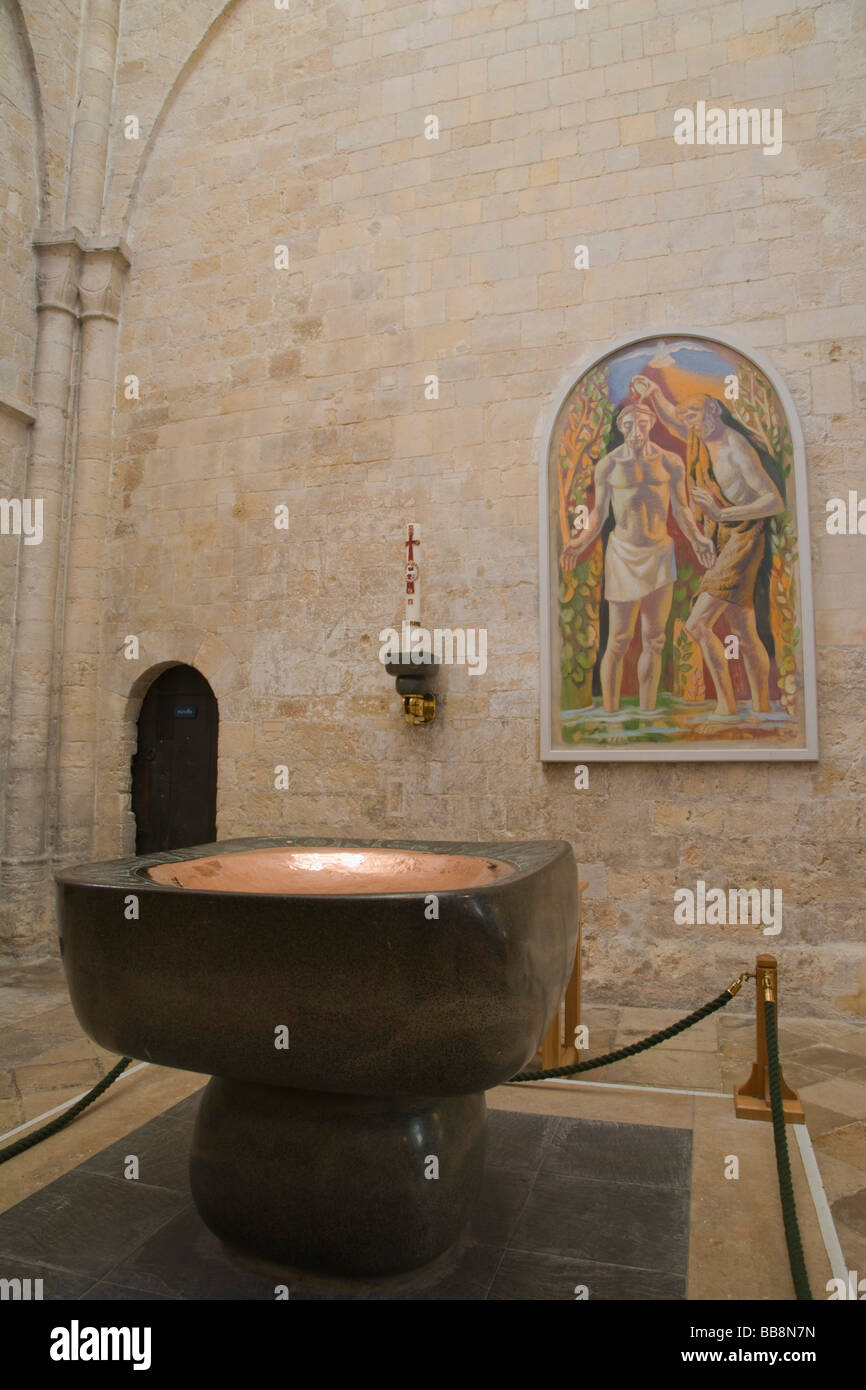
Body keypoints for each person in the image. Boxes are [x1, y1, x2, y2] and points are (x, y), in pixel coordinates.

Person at [630, 379, 784, 716]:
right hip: (722, 536)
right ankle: (760, 707)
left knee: (697, 624)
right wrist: (655, 393)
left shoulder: (735, 447)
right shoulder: (700, 437)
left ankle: (726, 707)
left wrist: (720, 513)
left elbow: (773, 500)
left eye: (695, 414)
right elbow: (672, 417)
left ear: (713, 411)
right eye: (686, 417)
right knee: (742, 627)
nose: (689, 422)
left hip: (744, 536)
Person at [561, 402, 715, 714]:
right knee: (618, 640)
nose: (635, 432)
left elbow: (681, 508)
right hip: (623, 555)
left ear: (651, 424)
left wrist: (697, 536)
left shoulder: (670, 462)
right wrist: (579, 542)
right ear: (620, 427)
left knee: (655, 640)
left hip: (659, 552)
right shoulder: (608, 465)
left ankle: (648, 713)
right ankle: (611, 714)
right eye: (629, 425)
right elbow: (600, 513)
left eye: (641, 425)